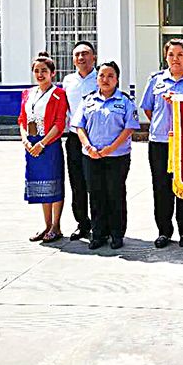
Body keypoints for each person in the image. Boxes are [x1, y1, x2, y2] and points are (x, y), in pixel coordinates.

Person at [140, 39, 183, 249]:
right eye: (171, 55)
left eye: (180, 55)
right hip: (160, 142)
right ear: (165, 57)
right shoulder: (156, 80)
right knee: (161, 187)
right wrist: (163, 125)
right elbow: (148, 109)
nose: (175, 59)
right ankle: (164, 231)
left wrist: (180, 101)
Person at [72, 61, 140, 251]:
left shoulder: (125, 101)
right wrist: (88, 147)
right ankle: (98, 233)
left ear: (117, 80)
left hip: (117, 157)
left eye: (110, 76)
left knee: (115, 194)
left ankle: (117, 234)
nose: (105, 79)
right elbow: (79, 126)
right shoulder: (88, 100)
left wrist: (111, 148)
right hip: (91, 156)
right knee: (96, 194)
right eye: (102, 75)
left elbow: (129, 128)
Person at [18, 52, 69, 243]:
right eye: (37, 71)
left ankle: (56, 226)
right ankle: (46, 224)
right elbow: (22, 119)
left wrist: (43, 143)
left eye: (44, 71)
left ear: (52, 73)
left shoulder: (58, 94)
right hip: (32, 144)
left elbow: (59, 123)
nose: (40, 75)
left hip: (49, 144)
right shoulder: (28, 93)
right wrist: (25, 140)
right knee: (41, 185)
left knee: (53, 183)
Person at [62, 41, 98, 242]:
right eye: (77, 55)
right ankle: (82, 223)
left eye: (85, 54)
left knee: (97, 184)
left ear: (94, 57)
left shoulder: (101, 78)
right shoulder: (68, 81)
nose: (81, 58)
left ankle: (100, 225)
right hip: (75, 138)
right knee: (77, 183)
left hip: (97, 138)